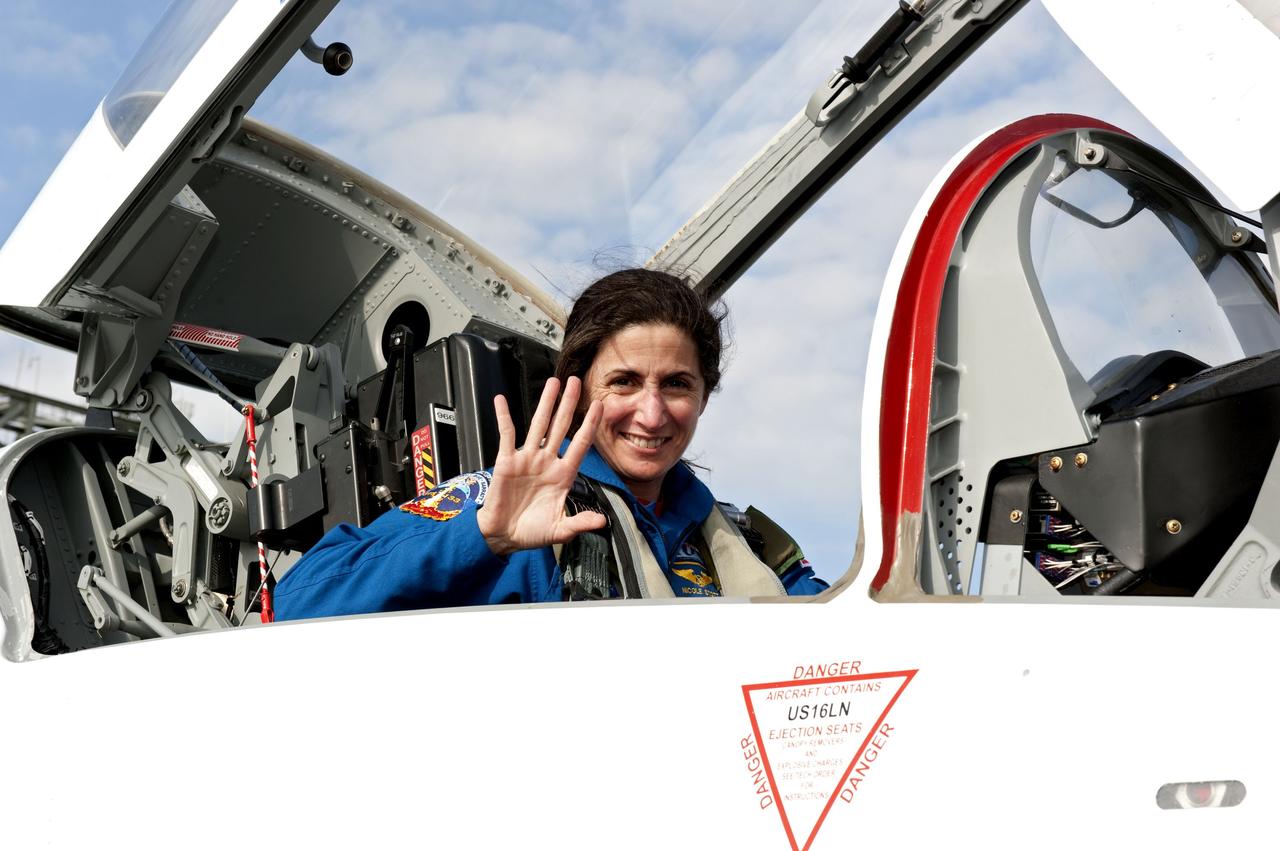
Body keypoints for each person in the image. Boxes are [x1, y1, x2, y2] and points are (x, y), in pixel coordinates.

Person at [274, 269, 827, 619]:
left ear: (704, 397)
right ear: (581, 392)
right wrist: (481, 537)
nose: (652, 412)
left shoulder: (747, 541)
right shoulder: (503, 505)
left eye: (677, 384)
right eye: (625, 382)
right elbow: (300, 603)